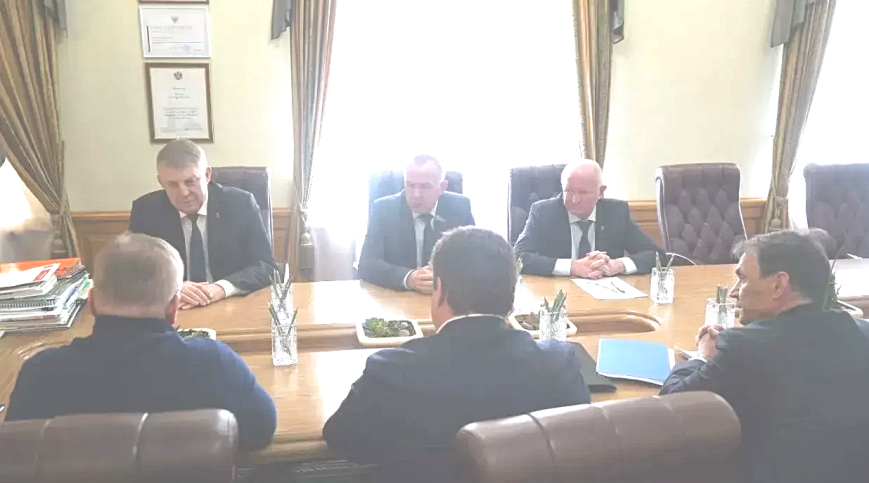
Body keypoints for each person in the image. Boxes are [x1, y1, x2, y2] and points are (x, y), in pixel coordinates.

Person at [324, 227, 589, 483]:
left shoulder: (391, 371)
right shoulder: (559, 365)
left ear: (439, 289)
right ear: (512, 294)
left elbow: (342, 440)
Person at [659, 230, 869, 483]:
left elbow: (672, 407)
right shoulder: (866, 334)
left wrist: (702, 357)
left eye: (742, 278)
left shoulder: (744, 348)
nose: (734, 291)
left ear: (778, 285)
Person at [5, 233, 277, 451]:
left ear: (92, 303)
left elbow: (15, 457)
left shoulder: (41, 373)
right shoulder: (214, 364)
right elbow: (261, 431)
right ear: (174, 308)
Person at [129, 139, 274, 309]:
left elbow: (266, 266)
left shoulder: (240, 204)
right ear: (161, 182)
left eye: (190, 181)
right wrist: (170, 287)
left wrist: (221, 288)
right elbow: (131, 271)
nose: (184, 193)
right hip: (173, 308)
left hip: (230, 305)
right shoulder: (146, 211)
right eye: (173, 185)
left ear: (207, 175)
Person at [514, 159, 663, 278]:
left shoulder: (616, 212)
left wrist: (618, 265)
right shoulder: (543, 212)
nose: (575, 199)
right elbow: (517, 257)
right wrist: (572, 267)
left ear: (601, 192)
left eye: (583, 193)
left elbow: (657, 255)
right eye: (568, 191)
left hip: (606, 293)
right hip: (556, 293)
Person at [358, 155, 475, 293]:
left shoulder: (460, 207)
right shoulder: (383, 209)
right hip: (398, 297)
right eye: (410, 185)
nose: (416, 194)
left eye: (425, 187)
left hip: (445, 296)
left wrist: (445, 279)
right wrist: (408, 278)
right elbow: (367, 265)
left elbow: (474, 260)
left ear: (442, 187)